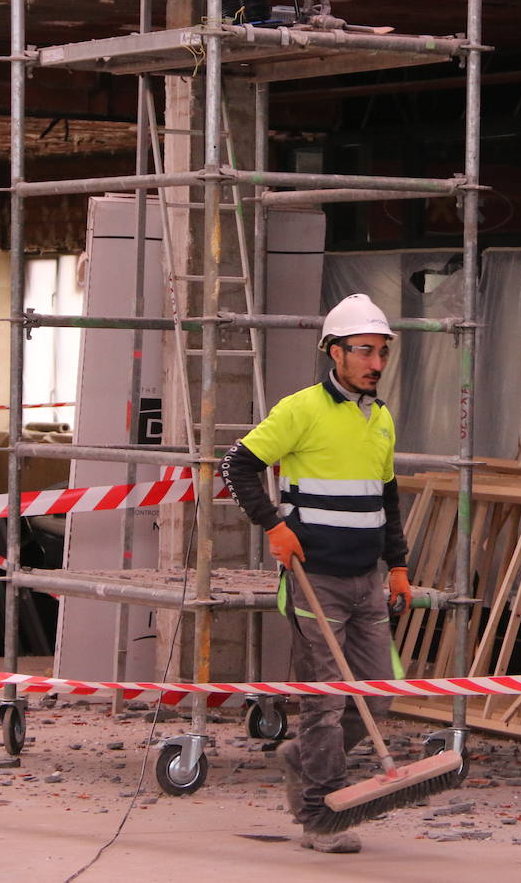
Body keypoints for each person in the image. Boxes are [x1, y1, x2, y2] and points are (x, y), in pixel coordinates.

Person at [220, 293, 412, 855]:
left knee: (377, 695)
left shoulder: (381, 418)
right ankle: (320, 815)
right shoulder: (300, 409)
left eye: (382, 352)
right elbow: (238, 465)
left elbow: (388, 499)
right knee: (325, 701)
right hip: (315, 579)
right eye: (364, 351)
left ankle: (300, 759)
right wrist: (274, 527)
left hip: (366, 580)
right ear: (334, 352)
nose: (376, 363)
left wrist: (398, 564)